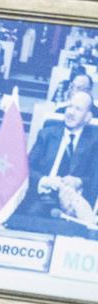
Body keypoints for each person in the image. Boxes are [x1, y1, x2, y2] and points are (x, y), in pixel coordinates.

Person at [11, 89, 98, 236]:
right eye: (70, 107)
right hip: (44, 196)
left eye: (78, 109)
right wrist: (44, 180)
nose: (70, 112)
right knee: (33, 213)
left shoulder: (94, 142)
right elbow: (25, 168)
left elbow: (95, 177)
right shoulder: (47, 135)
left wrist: (79, 181)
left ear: (88, 117)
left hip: (75, 202)